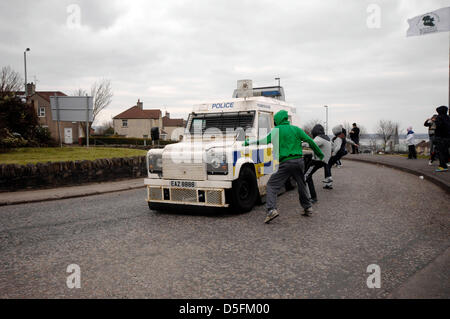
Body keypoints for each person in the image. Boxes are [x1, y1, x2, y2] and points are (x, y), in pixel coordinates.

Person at [243, 110, 324, 223]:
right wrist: (319, 154)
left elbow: (264, 141)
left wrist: (248, 142)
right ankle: (308, 207)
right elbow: (310, 140)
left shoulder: (276, 130)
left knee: (271, 185)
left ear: (278, 120)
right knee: (301, 184)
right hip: (299, 161)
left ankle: (271, 210)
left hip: (286, 162)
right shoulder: (296, 129)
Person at [304, 124, 331, 203]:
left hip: (317, 161)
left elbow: (310, 144)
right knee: (308, 175)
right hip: (323, 161)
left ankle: (312, 197)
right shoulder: (326, 138)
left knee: (306, 176)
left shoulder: (319, 138)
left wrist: (299, 143)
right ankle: (311, 196)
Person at [324, 125, 358, 189]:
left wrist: (333, 153)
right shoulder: (343, 138)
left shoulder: (338, 138)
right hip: (341, 153)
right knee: (329, 166)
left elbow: (337, 147)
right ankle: (328, 184)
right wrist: (354, 144)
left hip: (337, 154)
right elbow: (349, 141)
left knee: (327, 165)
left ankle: (329, 180)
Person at [434, 105, 450, 172]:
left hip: (440, 137)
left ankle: (443, 166)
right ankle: (446, 162)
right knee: (445, 151)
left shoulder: (439, 117)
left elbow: (439, 127)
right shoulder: (448, 118)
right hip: (448, 137)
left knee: (440, 152)